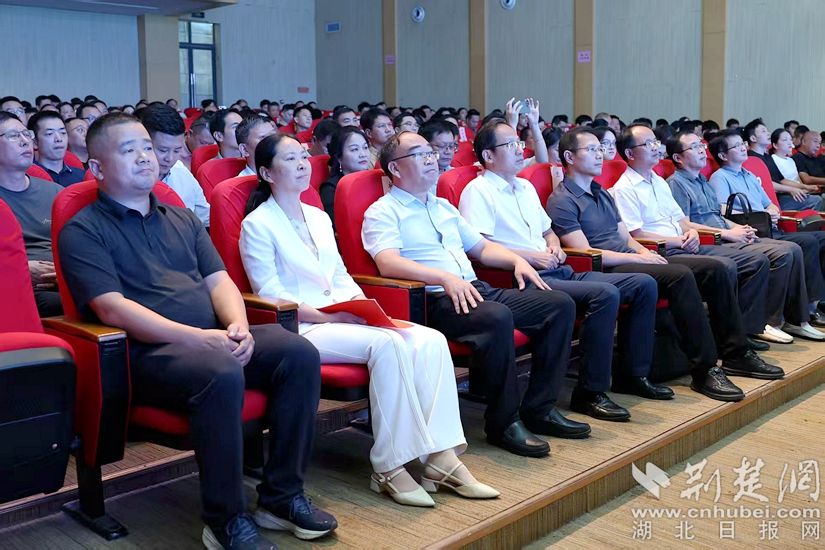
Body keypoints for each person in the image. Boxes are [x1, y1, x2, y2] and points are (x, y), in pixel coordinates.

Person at [58, 113, 337, 549]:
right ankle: (226, 521)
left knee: (297, 353)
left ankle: (281, 497)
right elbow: (111, 308)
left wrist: (237, 325)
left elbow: (220, 282)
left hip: (211, 340)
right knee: (219, 369)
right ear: (97, 168)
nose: (145, 157)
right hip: (147, 355)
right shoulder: (83, 229)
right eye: (129, 150)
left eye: (147, 147)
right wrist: (199, 339)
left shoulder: (182, 218)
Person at [240, 133, 498, 508]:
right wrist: (330, 314)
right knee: (387, 344)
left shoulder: (317, 216)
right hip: (302, 327)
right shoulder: (257, 224)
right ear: (266, 173)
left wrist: (364, 308)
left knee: (429, 339)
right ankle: (389, 467)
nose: (302, 165)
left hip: (342, 316)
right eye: (290, 159)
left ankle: (442, 459)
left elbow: (341, 275)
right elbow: (270, 294)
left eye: (303, 157)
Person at [364, 131, 585, 458]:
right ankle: (503, 423)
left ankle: (539, 408)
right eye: (420, 154)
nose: (431, 159)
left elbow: (481, 248)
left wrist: (516, 261)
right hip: (433, 300)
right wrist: (444, 277)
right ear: (395, 169)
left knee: (559, 304)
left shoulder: (443, 207)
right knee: (497, 316)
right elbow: (387, 263)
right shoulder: (383, 211)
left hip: (475, 289)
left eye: (430, 153)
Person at [546, 127, 781, 403]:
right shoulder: (562, 199)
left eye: (600, 149)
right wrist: (638, 257)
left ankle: (735, 352)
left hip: (631, 257)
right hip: (605, 267)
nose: (600, 155)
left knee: (715, 269)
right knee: (679, 275)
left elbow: (626, 238)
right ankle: (704, 369)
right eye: (592, 150)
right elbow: (586, 254)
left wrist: (643, 251)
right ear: (569, 157)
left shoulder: (602, 193)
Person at [459, 120, 672, 418]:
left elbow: (548, 231)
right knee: (604, 294)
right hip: (520, 278)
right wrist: (532, 257)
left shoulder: (525, 187)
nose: (520, 150)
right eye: (511, 145)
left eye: (519, 143)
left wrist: (553, 245)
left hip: (556, 268)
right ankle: (590, 393)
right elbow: (480, 248)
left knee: (643, 284)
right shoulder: (477, 191)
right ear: (488, 155)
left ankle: (634, 374)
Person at [611, 123, 779, 348]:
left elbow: (682, 221)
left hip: (685, 243)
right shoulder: (625, 188)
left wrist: (690, 232)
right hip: (661, 250)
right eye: (647, 144)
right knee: (723, 267)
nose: (655, 147)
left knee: (754, 260)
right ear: (630, 154)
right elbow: (636, 234)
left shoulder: (658, 181)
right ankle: (731, 344)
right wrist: (680, 240)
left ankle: (740, 333)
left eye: (655, 142)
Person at [666, 130, 823, 342]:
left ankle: (797, 319)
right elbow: (684, 225)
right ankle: (764, 322)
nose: (702, 150)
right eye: (694, 147)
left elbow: (719, 216)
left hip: (727, 233)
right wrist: (729, 232)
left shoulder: (702, 180)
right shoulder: (677, 183)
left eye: (701, 146)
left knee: (795, 248)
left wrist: (740, 228)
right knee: (782, 252)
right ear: (678, 157)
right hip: (712, 240)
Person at [709, 129, 825, 330]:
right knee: (802, 245)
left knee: (820, 238)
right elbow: (722, 211)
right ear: (723, 155)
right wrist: (762, 213)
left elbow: (768, 202)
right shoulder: (720, 177)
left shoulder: (748, 175)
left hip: (770, 227)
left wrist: (771, 210)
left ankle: (815, 302)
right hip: (751, 231)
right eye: (737, 145)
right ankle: (794, 314)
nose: (743, 147)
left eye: (742, 143)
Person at [0, 112, 64, 317]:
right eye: (13, 136)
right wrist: (20, 269)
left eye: (26, 134)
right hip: (17, 285)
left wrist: (65, 273)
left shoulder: (56, 193)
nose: (24, 141)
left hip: (65, 278)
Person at [138, 103, 210, 227]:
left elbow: (205, 218)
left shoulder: (182, 173)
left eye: (177, 150)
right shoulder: (126, 181)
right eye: (163, 150)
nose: (170, 158)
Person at [744, 118, 823, 210]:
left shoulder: (767, 157)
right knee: (816, 200)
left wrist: (805, 187)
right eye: (763, 131)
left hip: (780, 195)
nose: (768, 133)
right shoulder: (751, 159)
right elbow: (767, 184)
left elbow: (781, 180)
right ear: (753, 138)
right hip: (769, 201)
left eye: (767, 131)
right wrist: (791, 189)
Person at [319, 126, 371, 224]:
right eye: (354, 149)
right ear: (339, 157)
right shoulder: (331, 188)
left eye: (365, 147)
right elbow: (339, 226)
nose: (363, 154)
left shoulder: (376, 179)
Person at [27, 111, 86, 187]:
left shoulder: (82, 176)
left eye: (63, 132)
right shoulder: (28, 179)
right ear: (34, 142)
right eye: (49, 134)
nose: (59, 139)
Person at [236, 113, 277, 177]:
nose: (272, 142)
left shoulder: (289, 174)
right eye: (263, 138)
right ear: (244, 149)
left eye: (273, 136)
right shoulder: (241, 183)